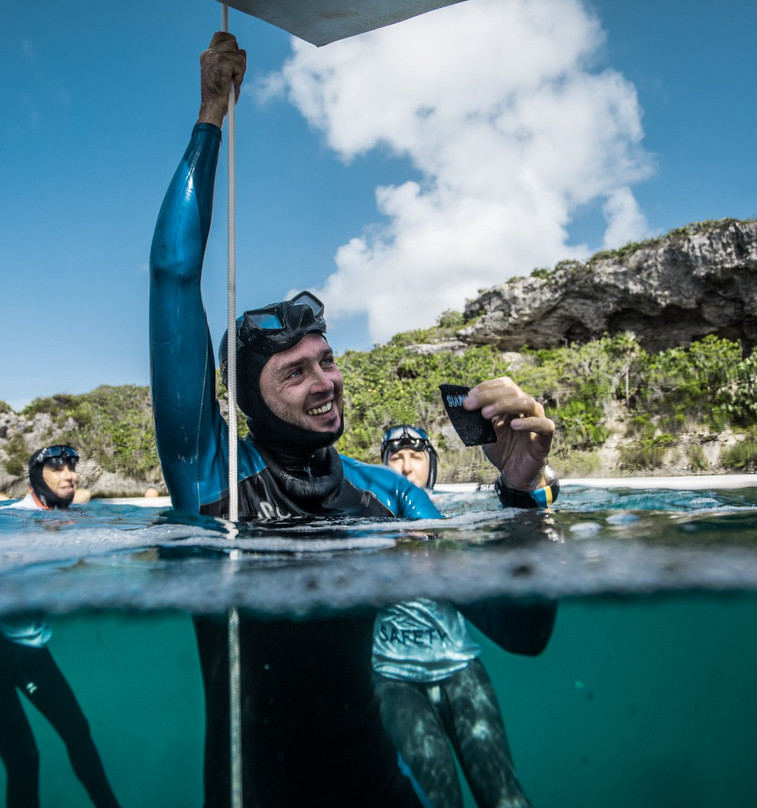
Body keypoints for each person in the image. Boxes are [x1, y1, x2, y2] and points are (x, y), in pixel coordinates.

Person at [149, 32, 558, 807]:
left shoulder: (385, 495)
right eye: (295, 371)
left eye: (328, 360)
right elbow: (172, 274)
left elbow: (521, 629)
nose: (325, 382)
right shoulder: (215, 478)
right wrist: (211, 116)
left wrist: (520, 495)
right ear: (244, 397)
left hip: (378, 788)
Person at [376, 425, 544, 808]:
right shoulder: (366, 516)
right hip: (392, 673)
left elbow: (513, 538)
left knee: (505, 797)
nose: (405, 468)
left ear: (432, 466)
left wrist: (527, 491)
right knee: (436, 799)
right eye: (396, 459)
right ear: (382, 468)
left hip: (460, 666)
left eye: (416, 457)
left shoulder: (454, 516)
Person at [0, 445, 121, 808]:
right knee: (24, 760)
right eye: (57, 468)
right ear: (36, 476)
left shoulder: (68, 517)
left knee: (77, 732)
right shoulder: (13, 519)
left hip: (25, 646)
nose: (69, 474)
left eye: (72, 467)